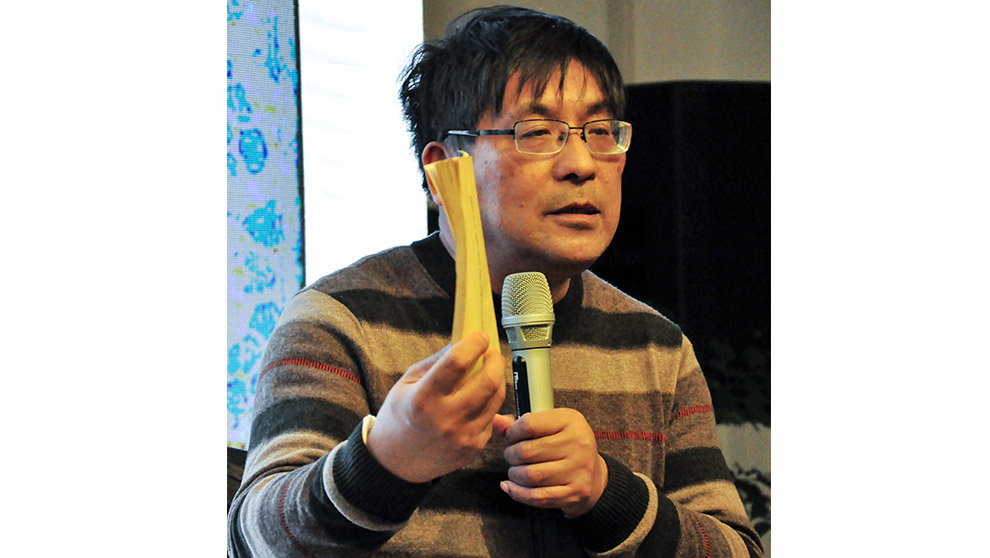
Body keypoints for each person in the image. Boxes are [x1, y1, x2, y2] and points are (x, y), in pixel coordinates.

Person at [228, 6, 764, 557]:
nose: (582, 164)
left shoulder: (656, 348)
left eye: (601, 132)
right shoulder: (342, 321)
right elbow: (253, 541)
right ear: (444, 167)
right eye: (537, 132)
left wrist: (610, 496)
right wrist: (388, 461)